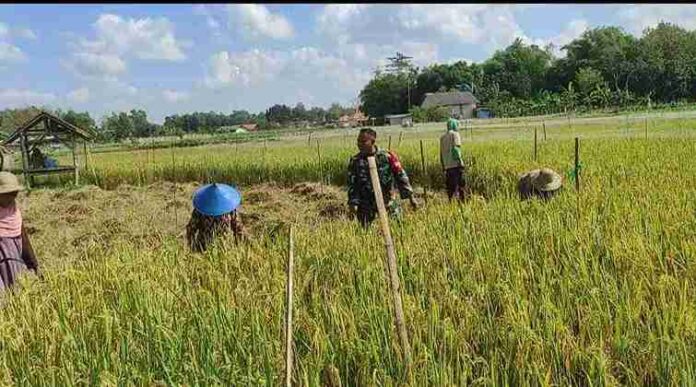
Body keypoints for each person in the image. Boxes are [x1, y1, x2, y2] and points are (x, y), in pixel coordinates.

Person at [347, 128, 418, 228]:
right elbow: (353, 184)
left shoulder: (387, 156)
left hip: (388, 201)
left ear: (372, 141)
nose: (359, 144)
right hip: (366, 204)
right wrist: (352, 205)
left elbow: (401, 176)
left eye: (363, 141)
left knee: (399, 227)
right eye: (358, 141)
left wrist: (411, 198)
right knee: (366, 233)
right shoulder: (355, 161)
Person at [0, 172, 40, 293]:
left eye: (15, 193)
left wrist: (33, 264)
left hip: (14, 264)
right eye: (9, 193)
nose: (13, 196)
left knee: (16, 291)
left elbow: (24, 239)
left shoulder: (14, 212)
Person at [186, 183, 246, 252]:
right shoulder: (200, 211)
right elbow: (239, 229)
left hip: (220, 249)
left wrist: (193, 246)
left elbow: (238, 229)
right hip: (209, 249)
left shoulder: (229, 209)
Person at [439, 117, 467, 202]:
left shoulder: (442, 137)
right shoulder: (455, 134)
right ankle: (462, 203)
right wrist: (460, 161)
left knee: (450, 187)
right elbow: (456, 149)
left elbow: (441, 154)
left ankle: (451, 203)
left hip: (447, 166)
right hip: (455, 165)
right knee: (460, 186)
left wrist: (443, 166)